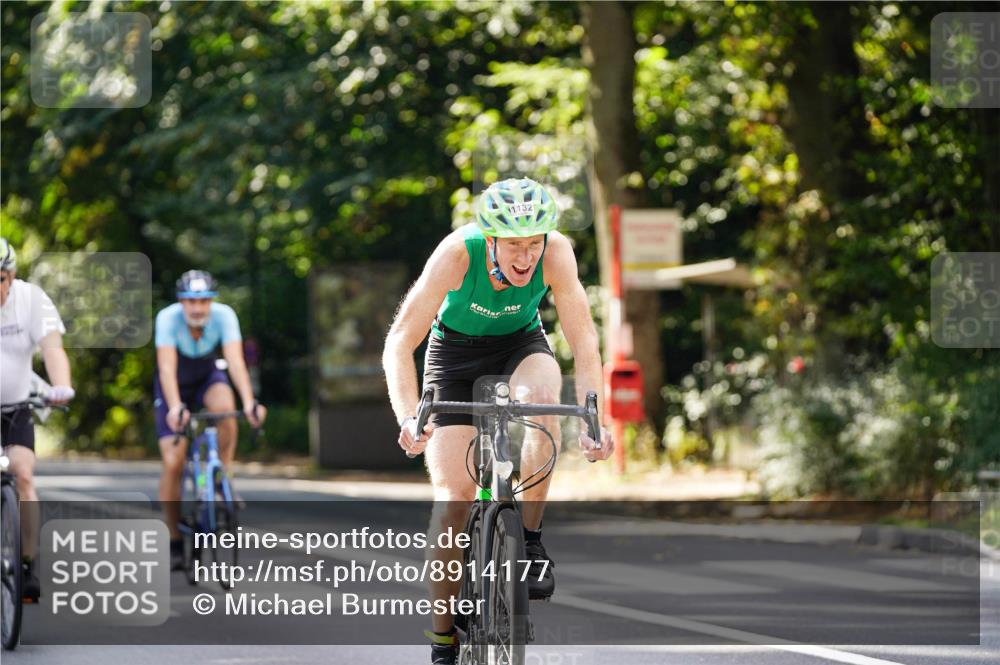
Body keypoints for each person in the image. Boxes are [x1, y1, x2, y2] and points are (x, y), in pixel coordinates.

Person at [382, 178, 615, 664]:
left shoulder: (557, 254)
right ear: (490, 238)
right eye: (514, 244)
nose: (527, 256)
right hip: (453, 358)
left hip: (521, 344)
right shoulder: (457, 254)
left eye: (534, 243)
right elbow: (400, 343)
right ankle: (443, 638)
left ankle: (528, 541)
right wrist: (409, 415)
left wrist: (597, 418)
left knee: (542, 403)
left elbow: (584, 340)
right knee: (453, 502)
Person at [154, 270, 266, 569]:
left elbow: (235, 361)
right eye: (191, 302)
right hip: (174, 381)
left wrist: (249, 402)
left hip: (206, 374)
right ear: (181, 301)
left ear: (212, 301)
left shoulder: (225, 316)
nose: (198, 308)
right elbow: (166, 368)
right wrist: (176, 407)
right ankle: (174, 538)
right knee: (174, 461)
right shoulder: (167, 318)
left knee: (226, 407)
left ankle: (222, 476)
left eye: (204, 301)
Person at [0, 237, 74, 602]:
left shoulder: (31, 300)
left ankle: (26, 564)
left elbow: (52, 348)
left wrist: (61, 386)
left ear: (10, 277)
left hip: (16, 405)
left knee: (23, 473)